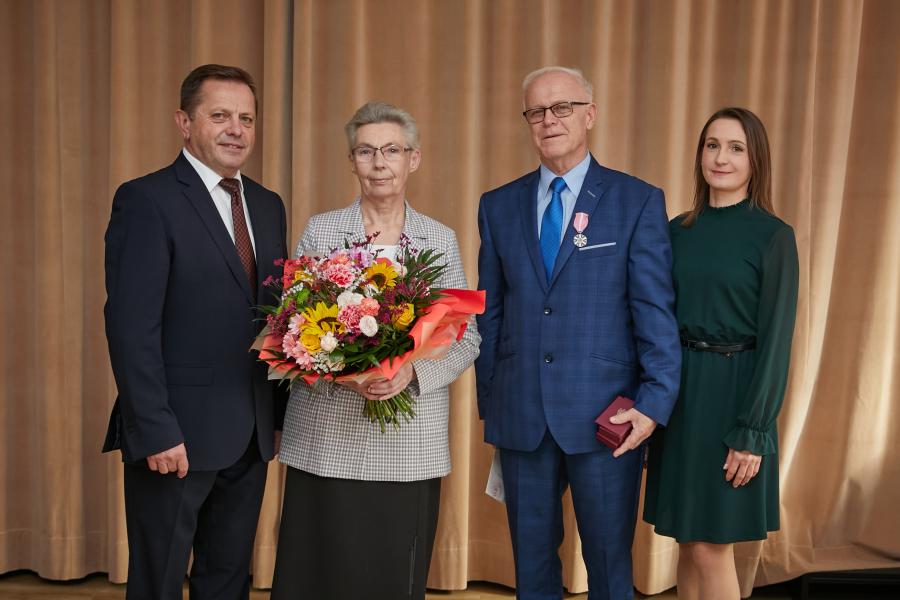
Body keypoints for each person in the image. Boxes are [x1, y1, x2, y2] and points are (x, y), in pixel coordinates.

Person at [475, 66, 681, 600]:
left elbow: (654, 310)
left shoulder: (636, 200)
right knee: (531, 568)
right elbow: (490, 312)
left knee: (610, 567)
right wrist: (492, 400)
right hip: (521, 414)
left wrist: (654, 403)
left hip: (606, 415)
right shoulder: (497, 206)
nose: (550, 120)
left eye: (562, 107)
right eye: (537, 111)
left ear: (590, 114)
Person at [270, 101, 480, 600]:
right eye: (366, 151)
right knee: (317, 578)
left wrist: (411, 374)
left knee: (390, 579)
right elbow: (289, 329)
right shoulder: (321, 231)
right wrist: (346, 373)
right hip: (325, 437)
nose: (379, 162)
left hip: (408, 443)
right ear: (351, 161)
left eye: (392, 150)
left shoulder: (439, 239)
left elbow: (465, 337)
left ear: (413, 159)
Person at [102, 64, 288, 599]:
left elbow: (275, 318)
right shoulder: (147, 199)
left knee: (227, 580)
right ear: (185, 123)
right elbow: (131, 327)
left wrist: (276, 416)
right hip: (174, 436)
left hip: (250, 435)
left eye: (246, 118)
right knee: (158, 582)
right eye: (220, 115)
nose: (236, 129)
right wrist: (155, 428)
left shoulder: (268, 205)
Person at [643, 107, 799, 600]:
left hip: (733, 397)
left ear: (756, 160)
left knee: (712, 547)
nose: (721, 158)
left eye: (735, 148)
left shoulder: (773, 236)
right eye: (712, 145)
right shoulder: (676, 230)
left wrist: (752, 432)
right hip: (680, 395)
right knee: (688, 542)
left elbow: (777, 341)